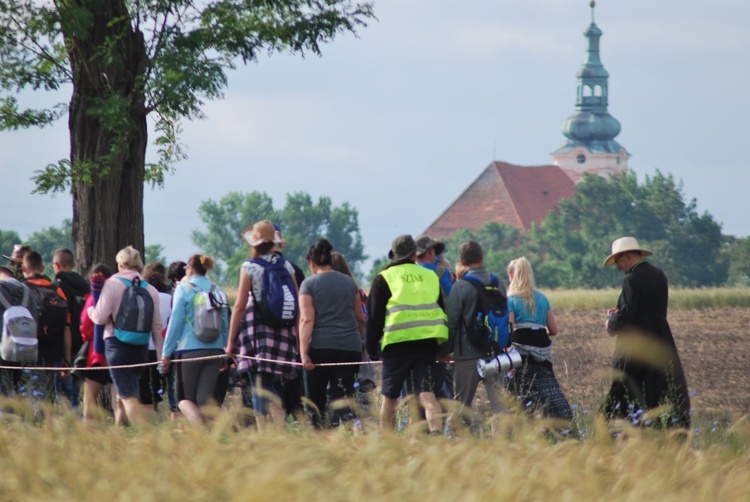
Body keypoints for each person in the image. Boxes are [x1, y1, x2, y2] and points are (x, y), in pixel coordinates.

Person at [603, 236, 691, 427]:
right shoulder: (660, 276)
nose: (618, 267)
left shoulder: (631, 281)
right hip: (661, 339)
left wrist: (611, 321)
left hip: (637, 346)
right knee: (659, 389)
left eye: (617, 261)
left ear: (626, 256)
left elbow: (626, 317)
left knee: (627, 392)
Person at [366, 234, 449, 434]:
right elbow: (442, 309)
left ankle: (387, 440)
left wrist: (371, 347)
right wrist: (443, 346)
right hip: (426, 343)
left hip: (397, 343)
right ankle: (436, 435)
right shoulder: (430, 276)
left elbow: (375, 317)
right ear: (414, 253)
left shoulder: (383, 278)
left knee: (390, 397)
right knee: (427, 395)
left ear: (394, 256)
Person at [226, 220, 298, 430]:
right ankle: (275, 429)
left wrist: (231, 342)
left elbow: (239, 306)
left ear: (254, 243)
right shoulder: (286, 265)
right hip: (283, 330)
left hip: (256, 332)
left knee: (258, 381)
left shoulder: (249, 267)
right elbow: (297, 297)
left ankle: (269, 430)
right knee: (272, 381)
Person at [87, 246, 163, 426]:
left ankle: (146, 434)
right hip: (141, 346)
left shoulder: (112, 284)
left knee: (128, 396)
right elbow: (156, 325)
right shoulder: (150, 289)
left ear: (120, 263)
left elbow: (99, 317)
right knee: (129, 390)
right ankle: (126, 429)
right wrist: (160, 355)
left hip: (117, 344)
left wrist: (90, 309)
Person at [298, 239, 364, 428]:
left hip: (321, 348)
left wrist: (303, 353)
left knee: (315, 400)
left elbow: (307, 320)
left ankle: (319, 438)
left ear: (311, 262)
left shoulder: (309, 284)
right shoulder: (349, 282)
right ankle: (353, 432)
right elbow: (360, 317)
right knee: (344, 399)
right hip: (351, 348)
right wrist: (359, 339)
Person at [446, 240, 507, 431]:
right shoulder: (499, 283)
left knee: (461, 405)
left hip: (467, 354)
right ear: (482, 258)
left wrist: (446, 350)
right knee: (499, 405)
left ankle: (460, 438)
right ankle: (504, 442)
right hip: (495, 353)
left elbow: (452, 321)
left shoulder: (461, 286)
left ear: (462, 262)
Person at [162, 254, 228, 426]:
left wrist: (166, 353)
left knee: (184, 399)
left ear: (190, 269)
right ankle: (228, 431)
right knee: (205, 400)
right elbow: (225, 323)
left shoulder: (183, 289)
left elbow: (175, 322)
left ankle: (200, 435)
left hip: (189, 350)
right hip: (215, 350)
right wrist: (223, 351)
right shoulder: (218, 290)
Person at [505, 257, 572, 420]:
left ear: (512, 275)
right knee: (547, 389)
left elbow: (509, 328)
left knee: (521, 393)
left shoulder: (511, 300)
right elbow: (554, 330)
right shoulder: (543, 298)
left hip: (520, 350)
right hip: (543, 347)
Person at [22, 250, 71, 404]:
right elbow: (67, 328)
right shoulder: (56, 290)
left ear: (24, 268)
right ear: (42, 268)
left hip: (27, 351)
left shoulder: (21, 289)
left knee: (31, 393)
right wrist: (67, 360)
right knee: (49, 394)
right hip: (54, 351)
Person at [415, 234, 455, 402]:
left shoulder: (405, 273)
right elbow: (453, 302)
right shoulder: (441, 272)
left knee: (412, 388)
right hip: (438, 336)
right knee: (438, 385)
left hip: (410, 334)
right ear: (431, 252)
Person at [330, 251, 376, 395]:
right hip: (355, 340)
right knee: (361, 384)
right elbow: (364, 317)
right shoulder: (358, 291)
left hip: (330, 341)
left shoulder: (321, 289)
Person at [78, 263, 119, 422]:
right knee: (118, 400)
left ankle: (87, 433)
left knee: (89, 401)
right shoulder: (119, 295)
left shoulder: (92, 298)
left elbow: (85, 327)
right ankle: (121, 430)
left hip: (97, 355)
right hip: (118, 351)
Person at [53, 248, 90, 409]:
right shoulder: (85, 287)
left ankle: (69, 426)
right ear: (73, 265)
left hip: (64, 346)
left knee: (64, 394)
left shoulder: (57, 287)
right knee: (75, 392)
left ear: (57, 265)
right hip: (83, 346)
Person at [0, 264, 38, 396]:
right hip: (25, 349)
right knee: (19, 390)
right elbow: (35, 320)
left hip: (2, 350)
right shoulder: (27, 291)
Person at [140, 262, 172, 417]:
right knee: (156, 395)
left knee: (145, 397)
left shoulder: (141, 295)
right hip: (164, 352)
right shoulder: (170, 298)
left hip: (143, 349)